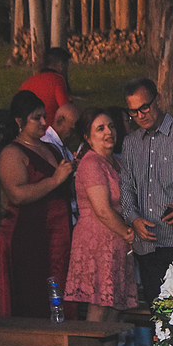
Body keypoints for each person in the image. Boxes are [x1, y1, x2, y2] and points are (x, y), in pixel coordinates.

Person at [116, 77, 173, 305]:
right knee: (158, 312)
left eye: (145, 107)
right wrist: (133, 219)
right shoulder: (131, 143)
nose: (140, 115)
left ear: (159, 100)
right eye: (134, 112)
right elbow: (126, 186)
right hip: (147, 246)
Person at [0, 90, 74, 318]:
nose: (43, 122)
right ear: (19, 121)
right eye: (36, 118)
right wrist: (55, 180)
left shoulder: (51, 148)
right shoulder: (12, 152)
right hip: (29, 234)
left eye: (44, 117)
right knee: (33, 295)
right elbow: (17, 194)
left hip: (58, 235)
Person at [64, 109, 137, 324]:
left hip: (117, 245)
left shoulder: (117, 162)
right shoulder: (91, 164)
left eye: (111, 126)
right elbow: (102, 210)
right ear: (88, 137)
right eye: (100, 128)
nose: (108, 132)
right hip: (98, 244)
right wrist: (128, 234)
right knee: (99, 308)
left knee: (116, 308)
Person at [19, 46, 73, 126]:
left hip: (28, 130)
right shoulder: (57, 80)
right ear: (61, 65)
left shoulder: (26, 84)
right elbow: (66, 111)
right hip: (49, 129)